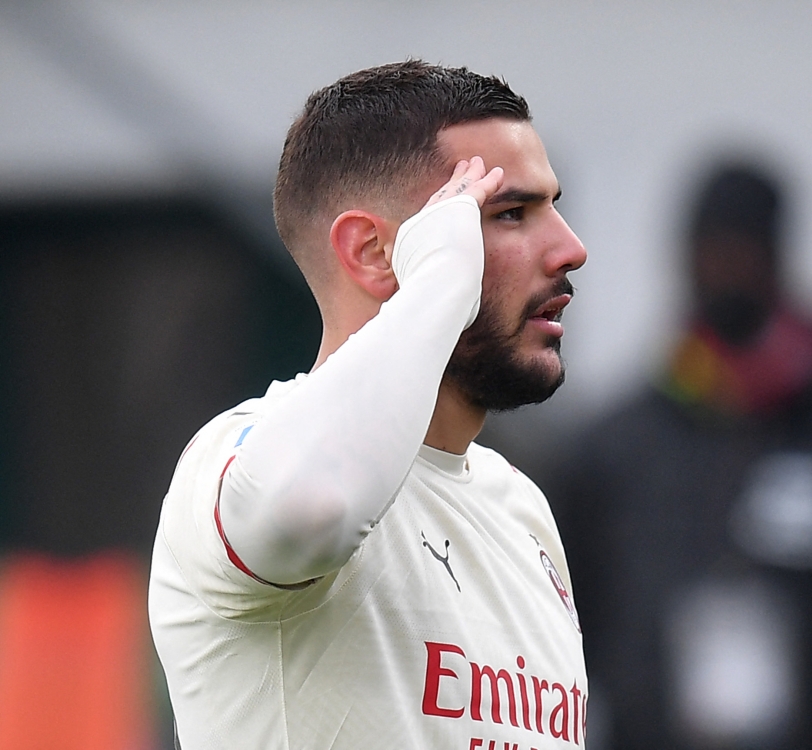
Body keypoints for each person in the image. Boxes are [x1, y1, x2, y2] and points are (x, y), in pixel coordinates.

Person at [148, 60, 589, 750]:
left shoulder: (520, 508)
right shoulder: (236, 459)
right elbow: (314, 508)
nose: (570, 248)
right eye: (508, 214)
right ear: (374, 252)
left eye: (553, 207)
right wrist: (442, 279)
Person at [549, 161, 812, 750]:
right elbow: (559, 627)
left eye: (744, 249)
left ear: (779, 257)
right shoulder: (614, 452)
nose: (727, 269)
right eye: (711, 249)